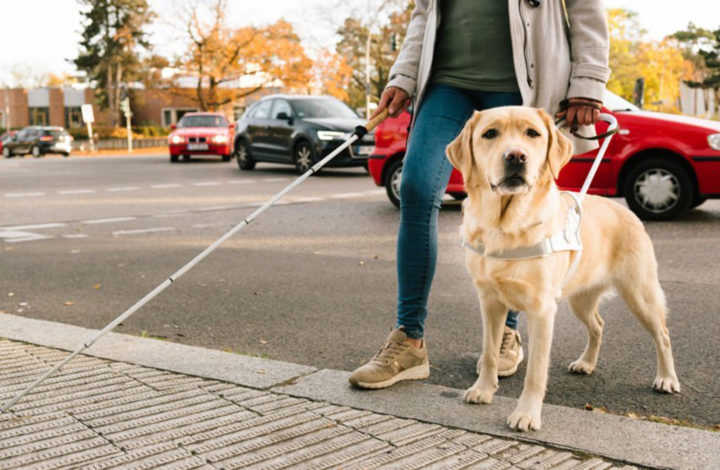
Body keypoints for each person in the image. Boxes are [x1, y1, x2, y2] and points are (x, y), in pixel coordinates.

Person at [349, 0, 610, 389]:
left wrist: (588, 81)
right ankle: (409, 340)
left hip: (524, 78)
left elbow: (586, 7)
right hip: (445, 83)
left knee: (516, 201)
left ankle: (507, 330)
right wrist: (403, 75)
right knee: (417, 187)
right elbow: (424, 12)